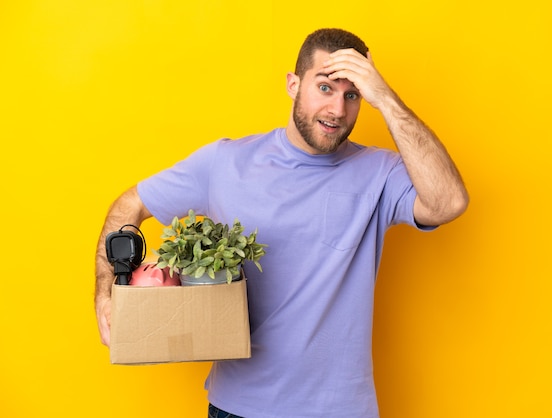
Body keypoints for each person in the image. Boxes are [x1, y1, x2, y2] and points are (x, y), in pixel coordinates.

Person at [95, 28, 468, 418]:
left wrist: (387, 99)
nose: (338, 110)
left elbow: (449, 202)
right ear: (293, 84)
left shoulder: (380, 172)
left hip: (342, 409)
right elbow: (130, 205)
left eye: (353, 94)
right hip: (239, 407)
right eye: (325, 88)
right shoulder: (225, 163)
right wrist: (107, 296)